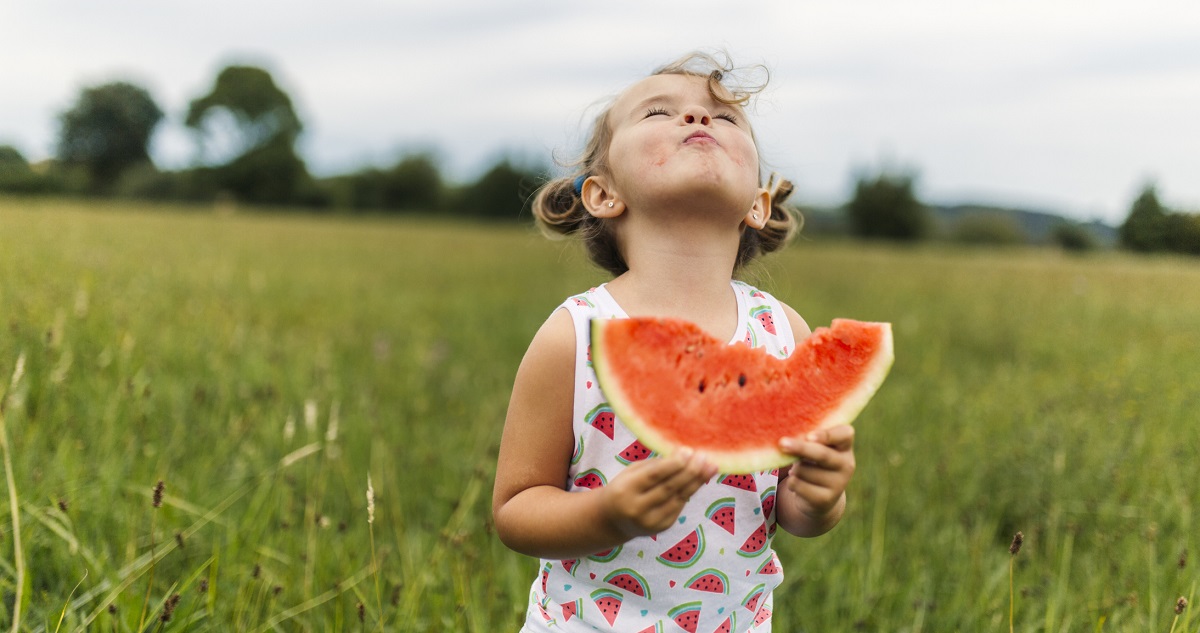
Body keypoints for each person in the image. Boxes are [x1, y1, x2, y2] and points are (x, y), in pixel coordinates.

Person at [492, 51, 857, 632]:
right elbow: (515, 509)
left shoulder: (785, 333)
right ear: (602, 194)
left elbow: (789, 511)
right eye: (660, 112)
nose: (698, 120)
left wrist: (819, 499)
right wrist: (604, 515)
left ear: (758, 205)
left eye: (726, 118)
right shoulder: (575, 335)